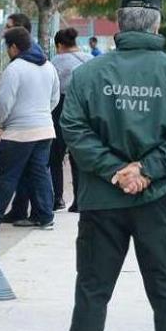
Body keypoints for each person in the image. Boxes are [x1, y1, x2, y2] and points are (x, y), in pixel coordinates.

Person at [62, 0, 166, 331]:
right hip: (160, 202)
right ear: (156, 24)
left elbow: (74, 130)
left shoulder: (88, 74)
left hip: (101, 202)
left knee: (92, 295)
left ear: (118, 23)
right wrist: (147, 170)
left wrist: (115, 171)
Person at [0, 27, 60, 229]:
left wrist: (0, 121)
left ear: (14, 47)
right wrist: (43, 113)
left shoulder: (15, 68)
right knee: (40, 174)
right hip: (45, 129)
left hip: (18, 131)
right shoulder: (49, 66)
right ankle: (46, 217)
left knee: (8, 175)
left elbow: (4, 102)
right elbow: (54, 98)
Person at [49, 28, 93, 212]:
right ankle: (79, 200)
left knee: (55, 156)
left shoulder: (56, 61)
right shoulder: (90, 59)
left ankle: (57, 198)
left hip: (60, 108)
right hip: (85, 109)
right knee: (79, 157)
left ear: (59, 45)